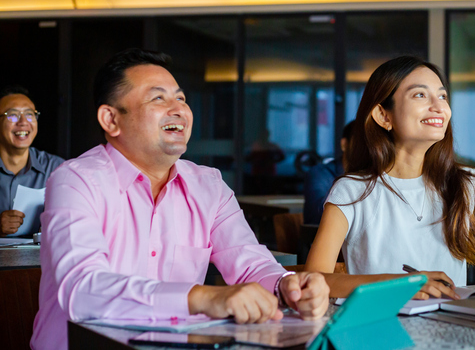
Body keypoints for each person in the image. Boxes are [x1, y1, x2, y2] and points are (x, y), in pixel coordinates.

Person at [31, 49, 329, 350]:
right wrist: (201, 297)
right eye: (158, 98)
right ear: (110, 119)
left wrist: (287, 285)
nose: (178, 110)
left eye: (182, 99)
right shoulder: (76, 180)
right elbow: (83, 291)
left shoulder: (209, 186)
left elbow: (250, 264)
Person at [305, 20, 475, 299]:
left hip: (451, 327)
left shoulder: (458, 184)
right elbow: (313, 280)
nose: (439, 106)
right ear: (383, 116)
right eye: (420, 95)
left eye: (442, 96)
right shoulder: (352, 190)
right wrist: (400, 285)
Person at [0, 86, 64, 237]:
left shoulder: (57, 169)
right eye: (13, 115)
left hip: (39, 260)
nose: (23, 122)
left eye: (30, 114)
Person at [303, 120, 355, 225]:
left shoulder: (374, 177)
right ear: (344, 144)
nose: (367, 148)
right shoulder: (320, 173)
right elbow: (317, 214)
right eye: (361, 142)